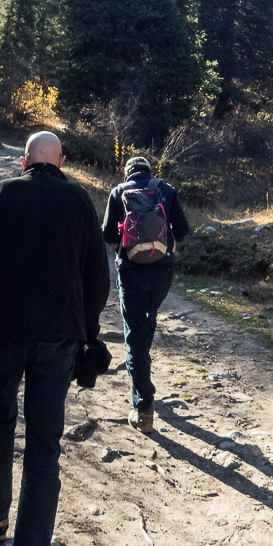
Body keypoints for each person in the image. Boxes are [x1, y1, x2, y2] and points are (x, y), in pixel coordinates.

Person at [0, 131, 110, 546]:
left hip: (0, 334)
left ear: (24, 161)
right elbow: (98, 279)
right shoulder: (78, 201)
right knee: (44, 442)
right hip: (58, 338)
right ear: (60, 161)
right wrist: (88, 333)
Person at [102, 154, 189, 433]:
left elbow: (108, 236)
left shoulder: (119, 192)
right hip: (163, 271)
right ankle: (143, 378)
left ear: (127, 173)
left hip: (131, 272)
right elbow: (184, 230)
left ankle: (143, 408)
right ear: (149, 171)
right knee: (147, 325)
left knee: (135, 335)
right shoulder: (166, 189)